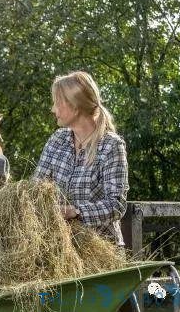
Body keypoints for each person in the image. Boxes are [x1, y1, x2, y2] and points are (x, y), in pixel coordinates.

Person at [34, 70, 129, 246]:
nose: (53, 109)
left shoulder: (110, 146)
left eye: (57, 103)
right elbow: (36, 188)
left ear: (75, 106)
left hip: (101, 249)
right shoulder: (57, 140)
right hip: (59, 247)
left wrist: (75, 212)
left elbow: (116, 205)